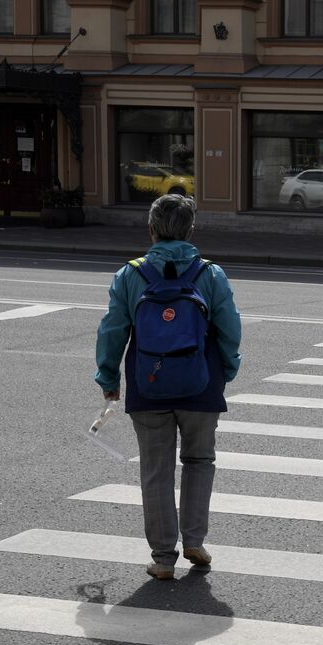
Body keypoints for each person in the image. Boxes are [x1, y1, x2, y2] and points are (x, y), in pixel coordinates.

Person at [94, 194, 243, 581]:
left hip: (148, 385)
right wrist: (226, 371)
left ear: (151, 230)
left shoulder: (130, 275)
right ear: (191, 229)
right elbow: (229, 329)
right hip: (201, 383)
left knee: (155, 470)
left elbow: (112, 331)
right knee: (199, 461)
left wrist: (109, 379)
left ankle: (163, 557)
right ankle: (194, 539)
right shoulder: (210, 274)